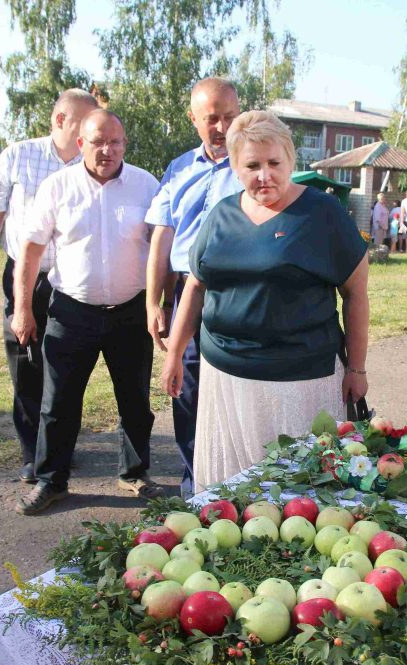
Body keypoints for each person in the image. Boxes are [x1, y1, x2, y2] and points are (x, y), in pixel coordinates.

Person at [161, 110, 369, 493]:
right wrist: (174, 352)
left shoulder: (323, 214)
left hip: (301, 381)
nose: (264, 175)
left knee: (300, 495)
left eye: (274, 163)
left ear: (291, 160)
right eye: (251, 165)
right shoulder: (221, 215)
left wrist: (356, 368)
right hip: (224, 378)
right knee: (228, 492)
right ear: (235, 167)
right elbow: (195, 287)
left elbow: (355, 294)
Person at [10, 109, 163, 515]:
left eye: (115, 142)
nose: (107, 150)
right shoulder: (57, 186)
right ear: (81, 144)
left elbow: (161, 248)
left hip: (130, 312)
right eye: (98, 142)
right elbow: (29, 249)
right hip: (71, 312)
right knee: (57, 403)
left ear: (125, 145)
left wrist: (160, 303)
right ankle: (51, 481)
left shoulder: (146, 185)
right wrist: (23, 308)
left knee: (134, 399)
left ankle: (134, 474)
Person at [0, 89, 99, 484]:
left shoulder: (91, 162)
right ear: (60, 120)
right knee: (26, 363)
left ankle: (59, 450)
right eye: (83, 123)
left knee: (65, 368)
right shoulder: (19, 155)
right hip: (23, 276)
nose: (90, 133)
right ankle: (32, 454)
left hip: (72, 281)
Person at [144, 77, 242, 497]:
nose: (221, 128)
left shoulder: (251, 165)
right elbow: (162, 238)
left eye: (230, 117)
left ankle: (235, 484)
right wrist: (155, 302)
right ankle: (193, 486)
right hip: (185, 293)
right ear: (193, 120)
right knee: (184, 388)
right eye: (211, 119)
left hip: (233, 296)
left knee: (234, 391)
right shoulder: (178, 168)